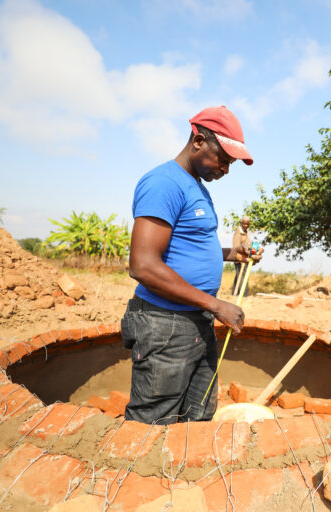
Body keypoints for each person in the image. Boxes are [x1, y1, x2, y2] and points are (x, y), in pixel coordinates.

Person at [122, 106, 262, 425]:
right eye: (223, 159)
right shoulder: (163, 183)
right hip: (165, 324)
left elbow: (189, 245)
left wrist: (233, 254)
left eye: (230, 164)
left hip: (196, 321)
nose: (226, 169)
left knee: (196, 417)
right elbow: (143, 265)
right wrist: (216, 305)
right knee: (153, 423)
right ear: (198, 141)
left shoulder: (196, 187)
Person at [231, 216, 251, 295]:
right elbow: (236, 247)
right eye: (244, 224)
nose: (246, 225)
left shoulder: (247, 232)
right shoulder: (238, 233)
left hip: (245, 258)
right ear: (241, 223)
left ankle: (235, 294)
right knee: (241, 276)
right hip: (239, 258)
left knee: (240, 275)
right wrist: (242, 254)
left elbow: (247, 243)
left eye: (247, 224)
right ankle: (242, 294)